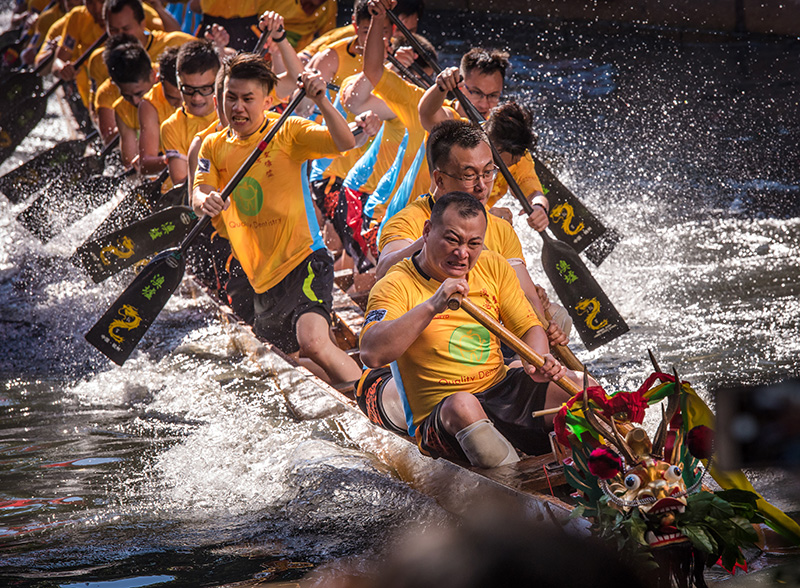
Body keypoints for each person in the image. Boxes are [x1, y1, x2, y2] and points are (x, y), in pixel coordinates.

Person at [360, 192, 586, 468]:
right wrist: (433, 305)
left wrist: (536, 361)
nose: (462, 253)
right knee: (463, 406)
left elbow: (529, 327)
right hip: (443, 413)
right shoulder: (396, 283)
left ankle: (604, 468)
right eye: (452, 240)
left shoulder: (493, 266)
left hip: (499, 389)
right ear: (428, 231)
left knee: (583, 386)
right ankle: (514, 482)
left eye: (473, 243)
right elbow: (371, 353)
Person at [192, 54, 377, 385]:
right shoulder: (213, 146)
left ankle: (372, 396)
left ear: (267, 100)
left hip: (304, 259)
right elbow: (198, 192)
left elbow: (345, 141)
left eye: (248, 99)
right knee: (293, 361)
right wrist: (206, 201)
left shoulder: (288, 131)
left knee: (313, 342)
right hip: (261, 278)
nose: (238, 107)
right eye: (230, 98)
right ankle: (355, 384)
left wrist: (321, 99)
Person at [418, 52, 550, 231]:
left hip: (454, 228)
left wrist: (539, 207)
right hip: (420, 216)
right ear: (461, 85)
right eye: (477, 93)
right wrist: (440, 87)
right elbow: (426, 114)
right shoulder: (458, 135)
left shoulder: (516, 153)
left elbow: (534, 193)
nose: (485, 104)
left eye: (494, 95)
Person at [89, 0, 195, 144]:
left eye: (126, 28)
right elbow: (106, 134)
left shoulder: (176, 43)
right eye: (113, 30)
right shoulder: (99, 62)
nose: (120, 36)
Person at [159, 39, 220, 185]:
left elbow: (286, 81)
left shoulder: (238, 111)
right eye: (189, 89)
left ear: (219, 82)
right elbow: (181, 182)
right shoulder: (171, 127)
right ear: (179, 83)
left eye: (205, 89)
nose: (197, 98)